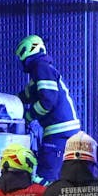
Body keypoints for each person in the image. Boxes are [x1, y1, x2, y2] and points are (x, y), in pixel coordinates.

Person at [15, 36, 81, 182]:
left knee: (45, 178)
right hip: (64, 134)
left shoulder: (41, 67)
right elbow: (27, 95)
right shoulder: (42, 70)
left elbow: (47, 101)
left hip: (59, 134)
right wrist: (11, 101)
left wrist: (27, 116)